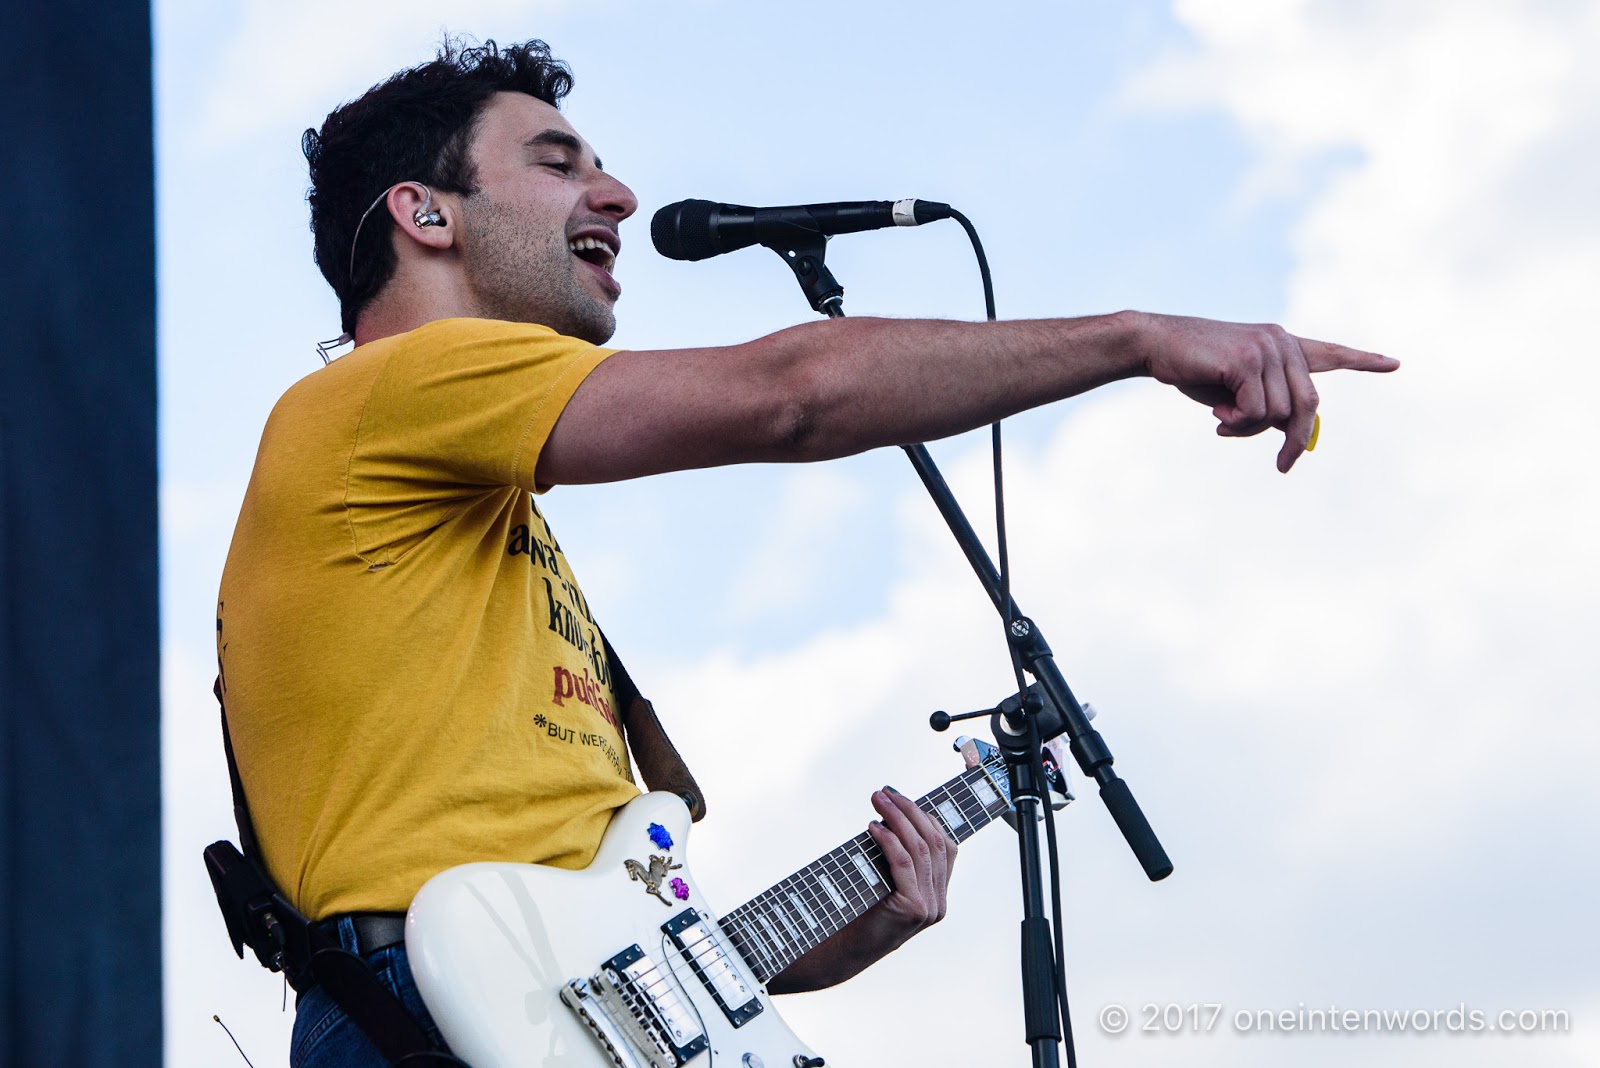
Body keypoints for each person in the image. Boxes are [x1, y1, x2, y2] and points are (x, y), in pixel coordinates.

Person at [215, 38, 1397, 1067]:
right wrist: (1138, 337)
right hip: (417, 1010)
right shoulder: (390, 392)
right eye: (559, 164)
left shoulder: (468, 512)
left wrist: (843, 932)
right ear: (426, 215)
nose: (618, 193)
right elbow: (795, 395)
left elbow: (604, 978)